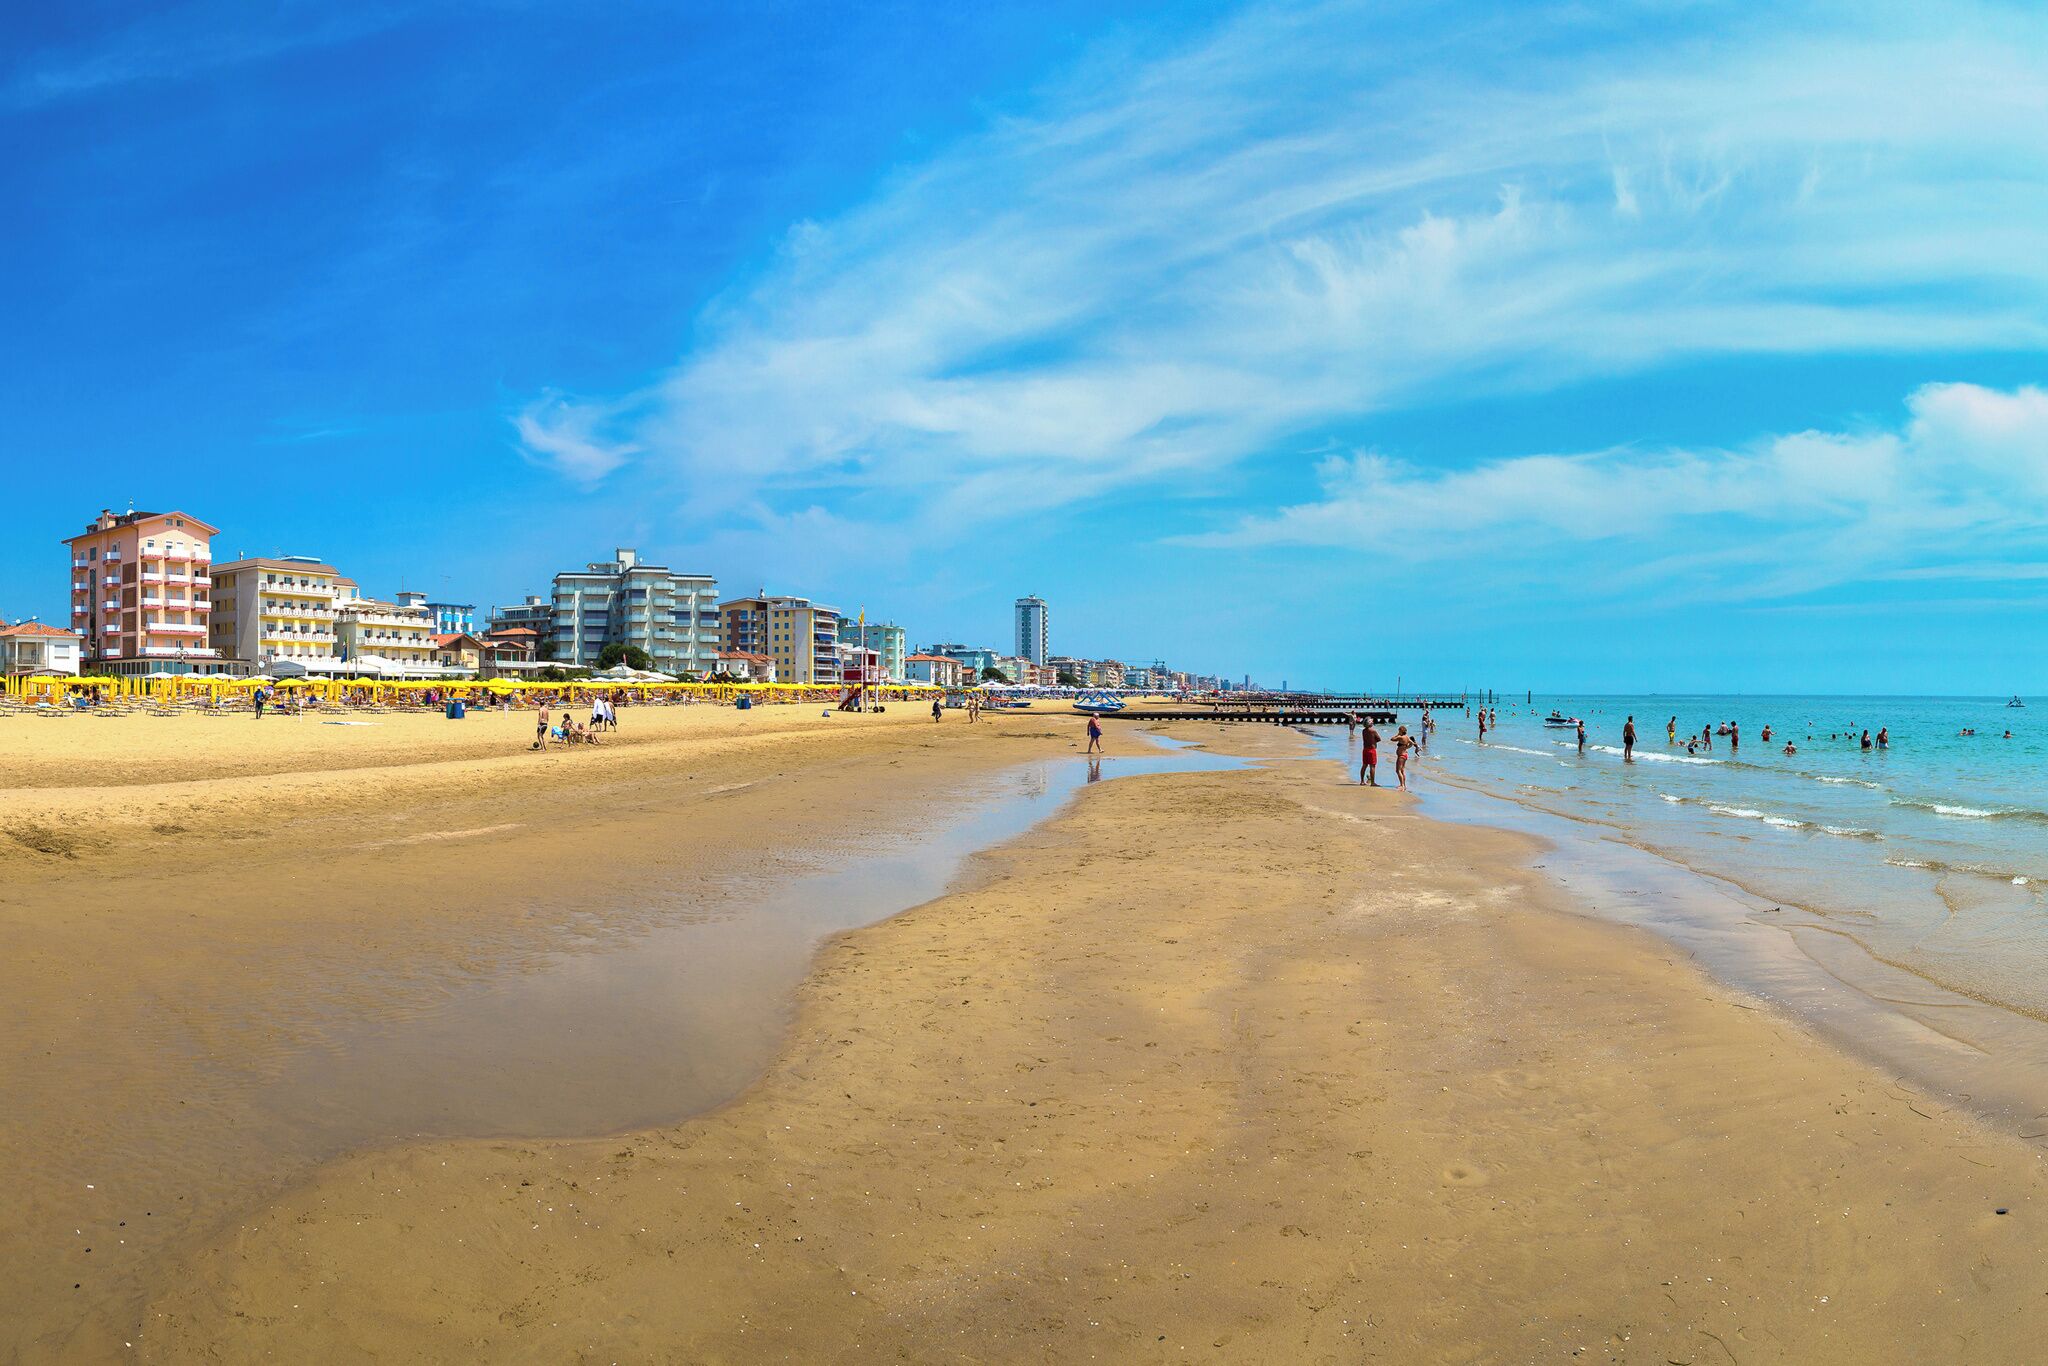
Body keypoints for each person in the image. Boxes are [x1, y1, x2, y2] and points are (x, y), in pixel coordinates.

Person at [1393, 725, 1420, 789]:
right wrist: (1406, 747)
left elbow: (1392, 739)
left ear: (1401, 731)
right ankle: (1404, 785)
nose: (1398, 732)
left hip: (1401, 755)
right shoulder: (1407, 737)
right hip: (1405, 755)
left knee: (1398, 770)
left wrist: (1397, 734)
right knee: (1402, 770)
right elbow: (1412, 743)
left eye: (1399, 730)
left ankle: (1402, 785)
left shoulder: (1400, 737)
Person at [1360, 719, 1382, 786]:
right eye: (1371, 721)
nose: (1372, 722)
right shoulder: (1373, 731)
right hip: (1371, 750)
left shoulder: (1363, 731)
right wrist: (1374, 741)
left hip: (1365, 749)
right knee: (1372, 766)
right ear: (1369, 723)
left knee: (1364, 765)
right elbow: (1379, 739)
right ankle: (1372, 782)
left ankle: (1362, 781)